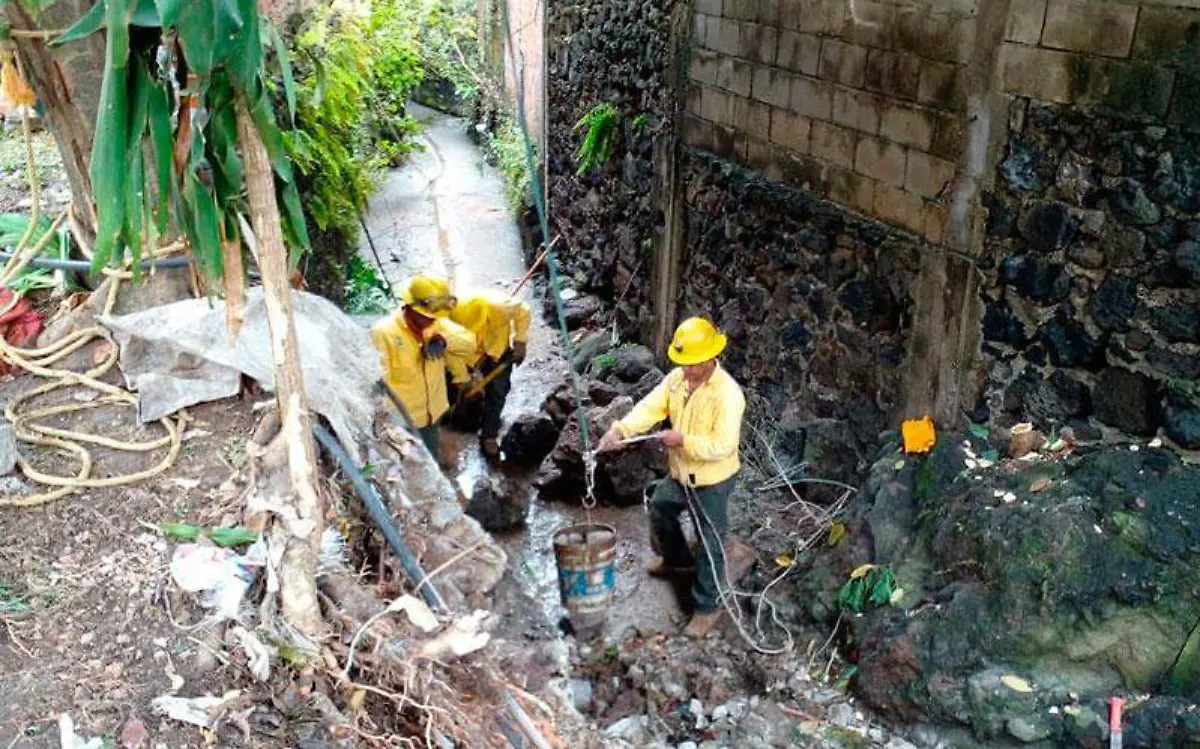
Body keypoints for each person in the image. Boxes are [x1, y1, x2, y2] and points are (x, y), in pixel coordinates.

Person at [598, 317, 745, 637]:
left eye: (692, 364)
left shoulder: (728, 395)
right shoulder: (677, 380)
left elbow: (723, 446)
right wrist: (621, 429)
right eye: (683, 363)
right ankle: (676, 558)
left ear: (709, 359)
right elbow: (651, 406)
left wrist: (682, 441)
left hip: (713, 480)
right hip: (681, 473)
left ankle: (706, 607)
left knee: (711, 541)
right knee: (661, 503)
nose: (686, 370)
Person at [371, 274, 477, 463]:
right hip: (402, 422)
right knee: (406, 467)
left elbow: (469, 342)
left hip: (431, 415)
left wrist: (443, 340)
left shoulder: (437, 324)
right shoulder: (383, 333)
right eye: (425, 318)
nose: (430, 322)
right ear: (409, 308)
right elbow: (376, 383)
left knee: (430, 461)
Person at [448, 288, 532, 459]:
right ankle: (449, 409)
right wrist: (463, 382)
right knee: (449, 380)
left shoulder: (499, 306)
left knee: (498, 391)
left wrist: (520, 341)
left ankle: (489, 434)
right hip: (468, 356)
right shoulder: (449, 323)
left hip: (496, 351)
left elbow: (524, 310)